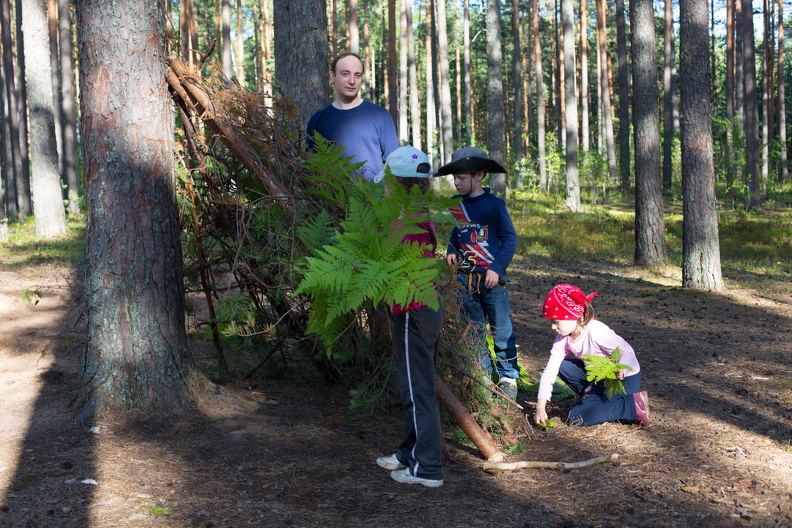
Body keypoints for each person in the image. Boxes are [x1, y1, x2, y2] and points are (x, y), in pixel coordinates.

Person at [374, 146, 445, 488]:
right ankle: (409, 453)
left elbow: (393, 272)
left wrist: (366, 268)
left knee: (419, 392)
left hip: (414, 312)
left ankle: (427, 468)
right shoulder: (415, 213)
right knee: (411, 387)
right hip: (418, 308)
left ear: (394, 183)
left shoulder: (408, 223)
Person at [435, 147, 521, 400]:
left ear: (479, 175)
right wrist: (452, 249)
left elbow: (509, 238)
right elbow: (456, 231)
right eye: (454, 178)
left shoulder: (494, 205)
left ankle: (508, 378)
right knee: (473, 330)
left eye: (461, 177)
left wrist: (496, 268)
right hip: (464, 279)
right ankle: (482, 375)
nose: (456, 182)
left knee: (501, 330)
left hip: (492, 281)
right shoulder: (456, 204)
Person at [534, 283, 650, 427]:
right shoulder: (563, 337)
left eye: (556, 322)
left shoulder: (595, 331)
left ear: (574, 316)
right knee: (563, 366)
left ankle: (630, 406)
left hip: (621, 379)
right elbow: (550, 371)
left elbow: (627, 351)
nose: (553, 327)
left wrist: (622, 369)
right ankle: (592, 397)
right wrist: (540, 407)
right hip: (597, 376)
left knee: (577, 417)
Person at [305, 52, 399, 180]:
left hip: (373, 197)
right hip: (330, 198)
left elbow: (394, 163)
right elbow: (311, 167)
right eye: (345, 74)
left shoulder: (380, 115)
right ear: (333, 76)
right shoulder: (317, 119)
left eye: (357, 75)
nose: (352, 81)